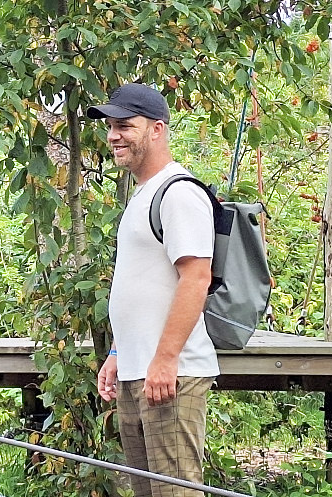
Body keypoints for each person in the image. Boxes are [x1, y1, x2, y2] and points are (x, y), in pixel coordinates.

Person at [89, 84, 216, 496]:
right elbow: (144, 284)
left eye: (125, 126)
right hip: (137, 370)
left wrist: (165, 360)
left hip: (170, 374)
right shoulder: (143, 194)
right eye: (111, 127)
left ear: (157, 130)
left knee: (175, 492)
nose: (113, 136)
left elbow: (196, 278)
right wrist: (117, 353)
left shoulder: (178, 193)